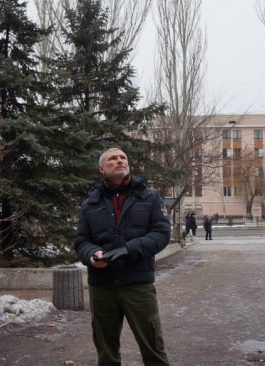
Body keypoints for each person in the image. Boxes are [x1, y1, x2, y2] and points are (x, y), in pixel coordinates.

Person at [74, 148, 171, 366]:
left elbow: (162, 233)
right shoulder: (90, 203)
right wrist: (92, 254)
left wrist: (129, 249)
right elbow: (81, 240)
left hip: (138, 284)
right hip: (102, 287)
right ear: (102, 169)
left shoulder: (150, 197)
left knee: (153, 349)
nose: (120, 161)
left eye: (123, 158)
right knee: (106, 353)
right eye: (113, 158)